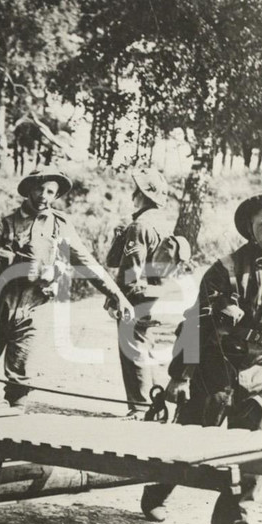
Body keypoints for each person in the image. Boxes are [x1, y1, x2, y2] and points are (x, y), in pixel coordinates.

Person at [139, 192, 262, 524]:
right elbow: (195, 324)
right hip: (216, 365)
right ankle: (157, 490)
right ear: (251, 228)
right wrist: (180, 376)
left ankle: (232, 522)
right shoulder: (224, 268)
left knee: (256, 446)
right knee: (193, 436)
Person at [0, 167, 134, 409]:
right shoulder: (4, 223)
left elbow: (87, 263)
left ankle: (10, 435)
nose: (44, 195)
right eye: (39, 189)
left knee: (20, 378)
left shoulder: (60, 226)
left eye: (50, 191)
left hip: (33, 311)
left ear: (56, 196)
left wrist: (117, 295)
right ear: (29, 190)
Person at [109, 168, 174, 418]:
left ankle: (139, 407)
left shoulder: (140, 225)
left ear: (142, 194)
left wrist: (118, 299)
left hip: (137, 295)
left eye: (135, 190)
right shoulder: (160, 221)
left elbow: (130, 270)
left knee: (133, 350)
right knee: (145, 348)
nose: (132, 195)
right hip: (155, 291)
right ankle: (154, 403)